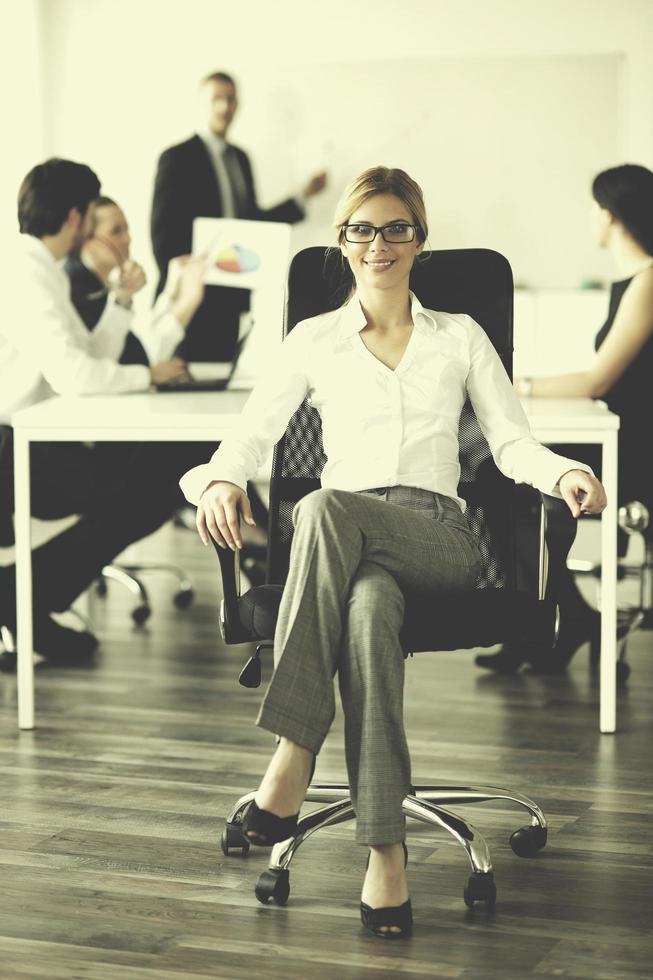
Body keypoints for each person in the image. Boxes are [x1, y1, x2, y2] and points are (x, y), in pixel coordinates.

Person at [179, 166, 607, 938]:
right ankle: (386, 854)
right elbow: (246, 437)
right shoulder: (311, 340)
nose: (380, 244)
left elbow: (511, 443)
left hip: (437, 536)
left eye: (397, 228)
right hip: (344, 551)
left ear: (419, 239)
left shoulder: (459, 336)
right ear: (341, 242)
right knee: (367, 606)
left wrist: (567, 470)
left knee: (319, 508)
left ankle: (292, 748)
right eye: (363, 230)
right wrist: (215, 482)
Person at [0, 159, 191, 669]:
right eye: (91, 215)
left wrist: (122, 301)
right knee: (152, 482)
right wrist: (148, 375)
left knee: (158, 477)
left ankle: (29, 598)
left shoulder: (40, 269)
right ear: (74, 216)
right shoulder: (27, 275)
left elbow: (89, 355)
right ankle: (24, 598)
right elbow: (77, 378)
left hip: (38, 438)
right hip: (11, 447)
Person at [477, 163, 653, 674]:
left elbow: (599, 380)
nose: (592, 217)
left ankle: (552, 621)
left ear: (613, 214)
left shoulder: (647, 283)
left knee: (516, 479)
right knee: (514, 480)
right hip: (622, 433)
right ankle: (556, 619)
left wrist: (516, 384)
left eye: (597, 207)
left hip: (634, 446)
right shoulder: (632, 283)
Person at [150, 70, 327, 362]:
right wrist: (182, 292)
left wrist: (302, 196)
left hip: (232, 298)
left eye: (231, 99)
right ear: (201, 104)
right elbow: (162, 236)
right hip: (190, 301)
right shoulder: (177, 158)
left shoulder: (241, 159)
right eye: (216, 98)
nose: (224, 106)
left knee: (219, 380)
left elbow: (251, 224)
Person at [66, 196, 207, 366]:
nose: (128, 239)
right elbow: (141, 361)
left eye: (127, 229)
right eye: (116, 231)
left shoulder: (103, 286)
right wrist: (187, 301)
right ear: (85, 238)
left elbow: (142, 348)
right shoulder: (76, 293)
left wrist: (172, 290)